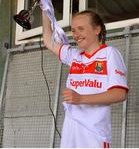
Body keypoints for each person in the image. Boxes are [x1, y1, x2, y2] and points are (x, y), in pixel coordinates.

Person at [42, 9, 128, 148]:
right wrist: (44, 9)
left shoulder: (109, 53)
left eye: (81, 29)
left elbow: (119, 94)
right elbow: (48, 40)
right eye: (73, 30)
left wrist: (81, 99)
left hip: (94, 131)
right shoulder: (74, 56)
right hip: (71, 126)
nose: (76, 35)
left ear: (97, 29)